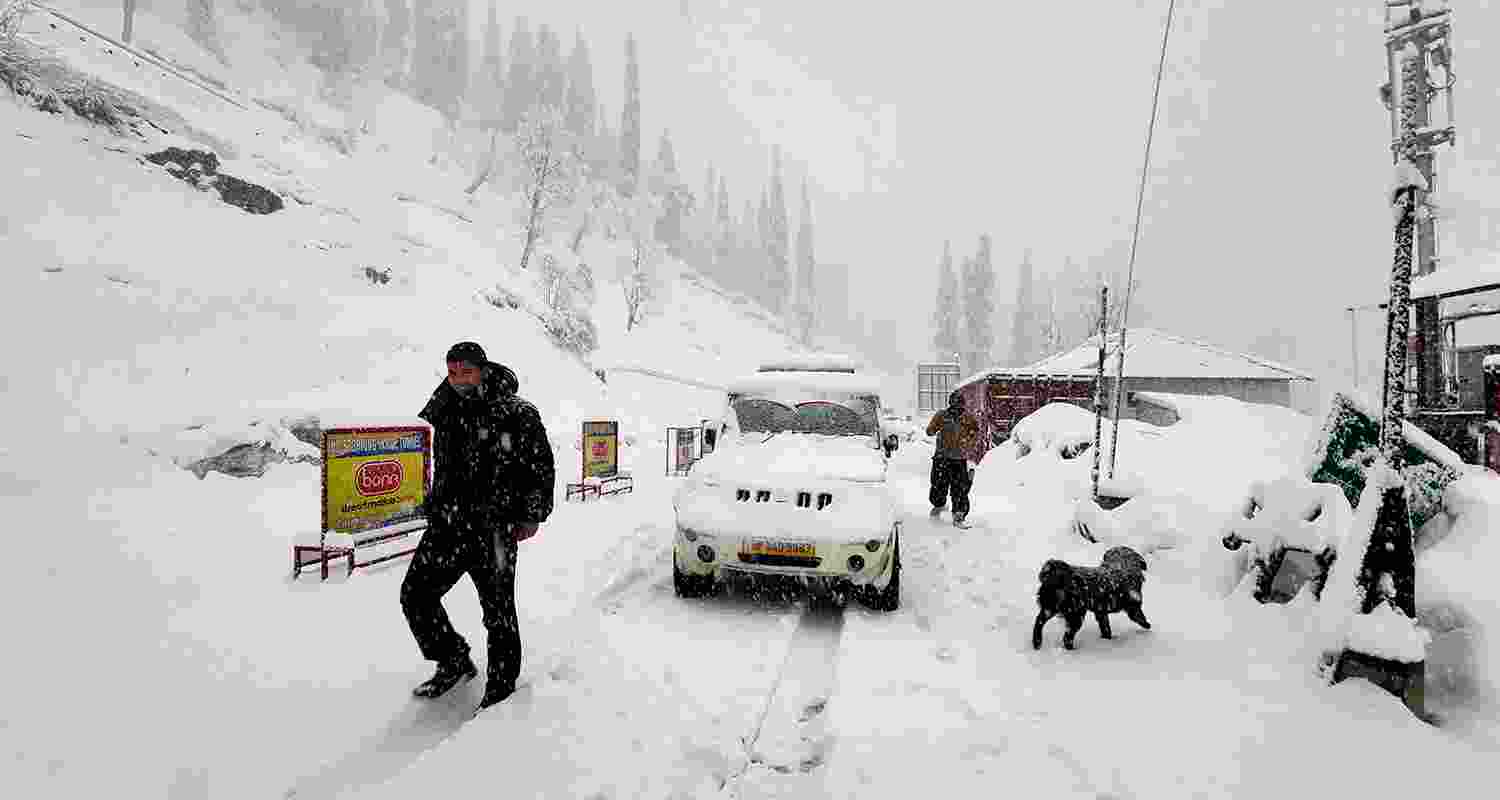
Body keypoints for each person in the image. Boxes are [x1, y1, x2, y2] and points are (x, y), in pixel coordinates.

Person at [402, 341, 555, 714]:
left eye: (465, 371)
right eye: (452, 372)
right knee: (416, 595)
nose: (457, 379)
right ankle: (453, 659)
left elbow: (540, 467)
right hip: (448, 526)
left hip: (494, 530)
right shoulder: (447, 408)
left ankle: (500, 692)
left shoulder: (517, 413)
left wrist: (531, 515)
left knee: (498, 613)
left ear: (483, 369)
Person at [926, 389, 979, 528]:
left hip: (958, 459)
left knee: (959, 489)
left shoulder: (968, 418)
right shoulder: (942, 416)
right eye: (955, 405)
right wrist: (934, 427)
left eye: (960, 405)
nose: (957, 408)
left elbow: (975, 433)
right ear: (950, 404)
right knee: (939, 486)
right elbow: (929, 431)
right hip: (942, 458)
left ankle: (959, 514)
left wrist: (968, 443)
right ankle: (938, 504)